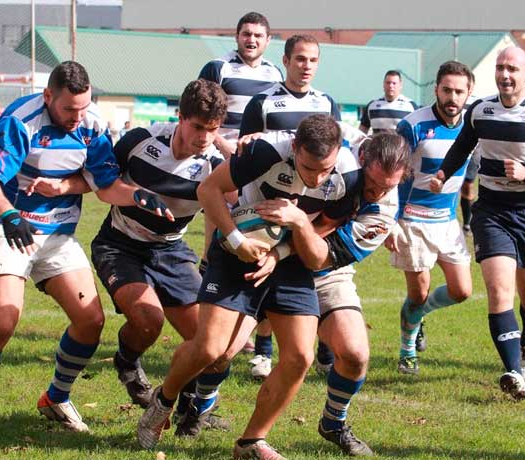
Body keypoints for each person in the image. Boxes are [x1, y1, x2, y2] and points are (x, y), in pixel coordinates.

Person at [0, 61, 169, 443]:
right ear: (49, 96)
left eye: (83, 108)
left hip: (58, 234)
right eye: (69, 109)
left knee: (91, 321)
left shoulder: (92, 123)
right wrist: (9, 214)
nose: (77, 117)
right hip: (9, 227)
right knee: (3, 320)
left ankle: (55, 398)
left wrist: (136, 195)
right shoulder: (22, 121)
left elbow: (105, 186)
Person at [136, 115, 361, 459]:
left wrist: (285, 244)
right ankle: (163, 400)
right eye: (307, 168)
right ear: (295, 148)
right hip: (236, 252)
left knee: (300, 356)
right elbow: (207, 189)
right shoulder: (264, 151)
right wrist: (236, 238)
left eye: (324, 170)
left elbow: (325, 231)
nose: (316, 179)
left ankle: (251, 442)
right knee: (212, 350)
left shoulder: (347, 175)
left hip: (291, 259)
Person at [429, 47, 525, 399]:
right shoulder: (480, 110)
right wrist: (443, 173)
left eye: (512, 69)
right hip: (492, 210)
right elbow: (462, 146)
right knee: (498, 291)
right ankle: (512, 372)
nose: (505, 74)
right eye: (500, 67)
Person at [90, 79, 231, 435]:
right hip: (119, 244)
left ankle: (190, 407)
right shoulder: (140, 140)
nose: (203, 137)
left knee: (208, 344)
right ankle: (126, 360)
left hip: (170, 250)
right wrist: (136, 195)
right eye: (197, 127)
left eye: (212, 130)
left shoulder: (216, 163)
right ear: (180, 117)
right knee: (149, 322)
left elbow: (235, 204)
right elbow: (103, 189)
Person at [254, 133, 409, 455]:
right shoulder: (337, 158)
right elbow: (309, 130)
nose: (378, 192)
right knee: (216, 350)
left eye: (388, 186)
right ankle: (197, 406)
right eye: (374, 182)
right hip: (258, 252)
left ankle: (333, 423)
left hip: (321, 270)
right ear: (360, 160)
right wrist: (255, 138)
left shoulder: (383, 210)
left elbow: (321, 257)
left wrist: (296, 225)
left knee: (355, 354)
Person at [239, 33, 341, 379]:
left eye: (312, 60)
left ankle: (325, 347)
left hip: (310, 206)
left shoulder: (327, 103)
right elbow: (244, 150)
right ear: (285, 61)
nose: (306, 66)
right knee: (263, 273)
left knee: (311, 270)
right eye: (300, 59)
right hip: (264, 205)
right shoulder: (263, 103)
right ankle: (263, 352)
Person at [387, 61, 475, 375]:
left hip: (448, 221)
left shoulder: (473, 124)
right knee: (418, 293)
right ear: (436, 89)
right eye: (447, 90)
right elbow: (393, 175)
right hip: (412, 220)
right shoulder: (412, 125)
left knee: (462, 291)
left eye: (459, 91)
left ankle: (416, 316)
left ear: (469, 93)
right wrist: (391, 221)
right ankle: (406, 348)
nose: (452, 97)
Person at [199, 12, 283, 157]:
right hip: (219, 155)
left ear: (268, 40)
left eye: (258, 35)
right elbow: (197, 115)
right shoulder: (218, 68)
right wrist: (222, 145)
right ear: (237, 37)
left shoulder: (275, 73)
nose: (252, 39)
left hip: (257, 157)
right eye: (246, 34)